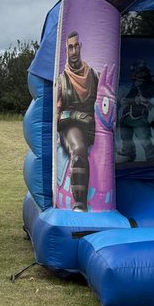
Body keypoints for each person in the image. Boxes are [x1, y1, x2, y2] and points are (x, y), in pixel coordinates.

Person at [56, 30, 98, 210]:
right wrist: (76, 116)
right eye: (70, 47)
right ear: (66, 50)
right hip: (71, 128)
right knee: (79, 149)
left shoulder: (93, 75)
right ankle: (80, 203)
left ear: (80, 47)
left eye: (76, 46)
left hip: (94, 126)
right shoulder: (62, 80)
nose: (73, 51)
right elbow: (57, 119)